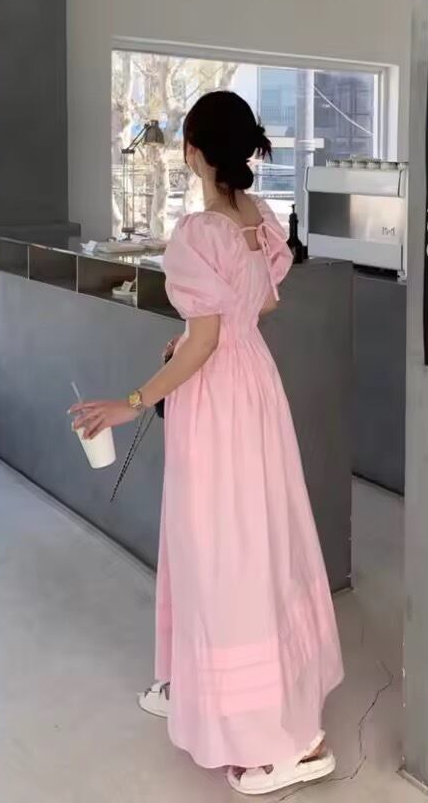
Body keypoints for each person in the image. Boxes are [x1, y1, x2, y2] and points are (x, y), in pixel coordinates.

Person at [71, 91, 343, 795]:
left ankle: (278, 739)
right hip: (254, 388)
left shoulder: (197, 233)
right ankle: (205, 687)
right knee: (253, 541)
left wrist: (132, 402)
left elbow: (206, 339)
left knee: (223, 549)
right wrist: (206, 334)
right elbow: (262, 304)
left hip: (219, 400)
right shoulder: (257, 219)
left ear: (194, 152)